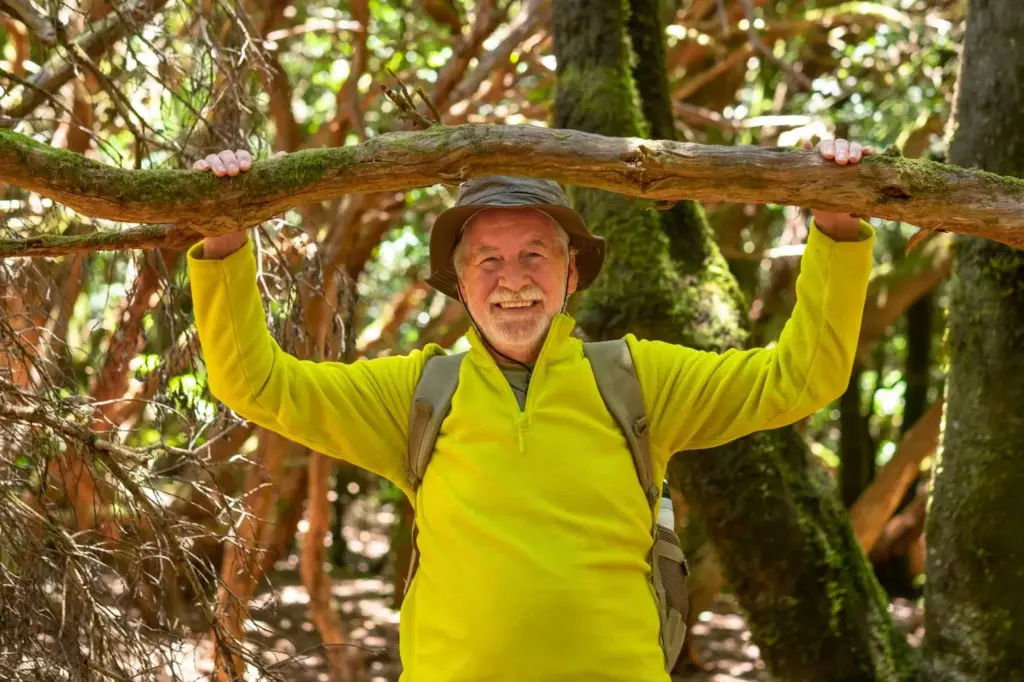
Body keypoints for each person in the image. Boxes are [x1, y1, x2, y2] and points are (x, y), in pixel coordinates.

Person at [188, 139, 875, 682]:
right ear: (459, 283)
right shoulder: (418, 395)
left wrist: (837, 227)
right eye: (487, 259)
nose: (511, 278)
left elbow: (799, 378)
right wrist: (224, 243)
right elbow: (256, 383)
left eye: (534, 255)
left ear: (572, 273)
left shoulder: (637, 380)